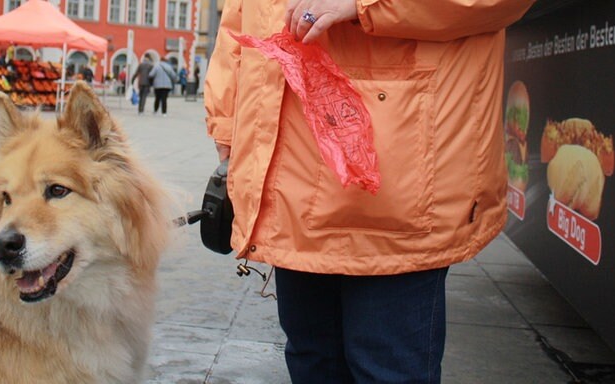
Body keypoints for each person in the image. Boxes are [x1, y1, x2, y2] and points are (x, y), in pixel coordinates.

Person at [204, 0, 535, 382]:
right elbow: (240, 16)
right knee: (311, 360)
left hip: (395, 171)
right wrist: (227, 120)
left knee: (385, 366)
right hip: (290, 167)